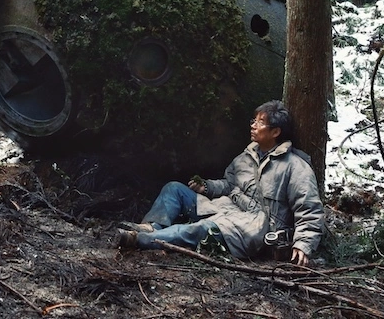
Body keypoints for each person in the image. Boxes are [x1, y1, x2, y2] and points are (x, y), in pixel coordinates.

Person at [116, 100, 324, 266]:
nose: (253, 125)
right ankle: (153, 227)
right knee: (174, 189)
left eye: (260, 122)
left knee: (200, 229)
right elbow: (228, 184)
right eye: (253, 120)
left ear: (276, 132)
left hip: (254, 227)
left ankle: (140, 240)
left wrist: (303, 244)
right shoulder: (246, 156)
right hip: (226, 209)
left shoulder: (295, 166)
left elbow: (309, 208)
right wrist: (206, 187)